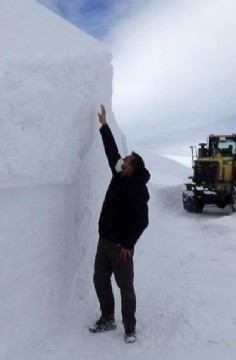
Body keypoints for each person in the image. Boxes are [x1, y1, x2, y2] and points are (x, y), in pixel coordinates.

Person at [88, 104, 150, 343]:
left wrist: (128, 243)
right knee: (99, 279)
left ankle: (130, 327)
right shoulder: (119, 175)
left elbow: (142, 220)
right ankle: (107, 317)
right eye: (125, 159)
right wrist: (104, 125)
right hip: (104, 241)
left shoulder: (136, 189)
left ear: (133, 169)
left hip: (120, 247)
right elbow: (111, 152)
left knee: (125, 286)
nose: (123, 160)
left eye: (128, 160)